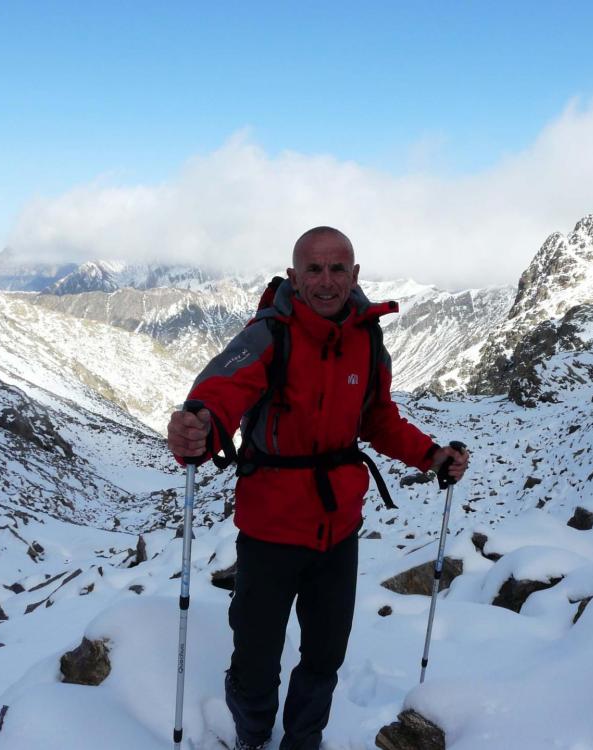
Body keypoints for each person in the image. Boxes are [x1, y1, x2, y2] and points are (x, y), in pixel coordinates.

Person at [167, 226, 468, 750]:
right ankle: (253, 735)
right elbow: (221, 390)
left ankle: (303, 741)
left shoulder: (368, 340)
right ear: (294, 276)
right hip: (270, 529)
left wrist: (431, 455)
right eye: (314, 269)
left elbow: (377, 419)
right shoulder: (269, 335)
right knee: (256, 657)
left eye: (337, 269)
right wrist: (199, 427)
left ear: (354, 275)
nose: (326, 281)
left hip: (338, 531)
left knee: (325, 655)